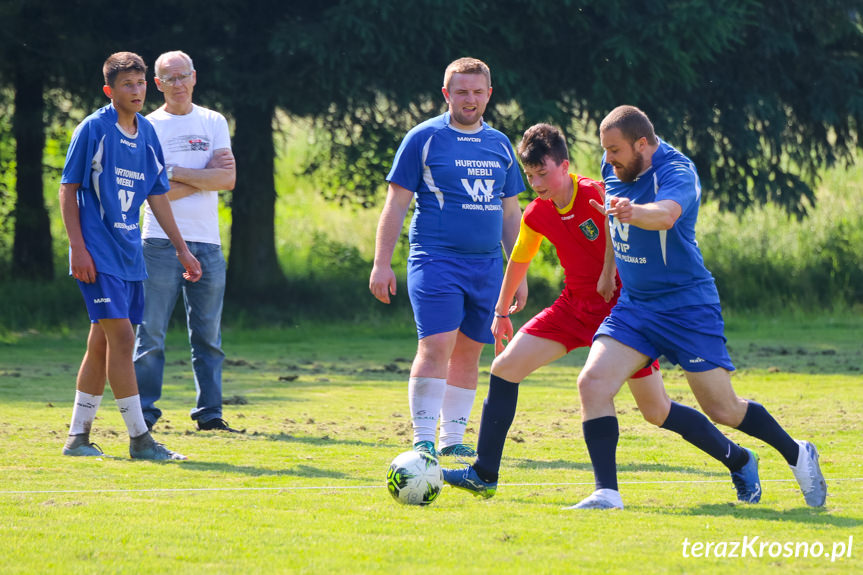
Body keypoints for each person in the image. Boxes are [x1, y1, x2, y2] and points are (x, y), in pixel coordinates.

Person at [442, 124, 761, 503]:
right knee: (504, 368)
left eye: (543, 173)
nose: (537, 182)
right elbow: (519, 259)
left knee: (656, 411)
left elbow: (624, 230)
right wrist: (501, 311)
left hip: (621, 317)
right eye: (529, 175)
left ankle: (739, 459)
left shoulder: (596, 192)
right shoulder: (536, 213)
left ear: (565, 166)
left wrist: (610, 272)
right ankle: (484, 473)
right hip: (572, 308)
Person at [570, 105, 827, 509]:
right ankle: (607, 493)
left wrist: (632, 212)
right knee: (593, 384)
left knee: (723, 408)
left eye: (615, 150)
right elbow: (611, 218)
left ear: (642, 143)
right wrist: (608, 271)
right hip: (635, 305)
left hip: (687, 306)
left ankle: (796, 452)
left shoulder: (678, 171)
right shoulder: (615, 166)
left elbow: (666, 215)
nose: (608, 159)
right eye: (605, 150)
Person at [369, 57, 526, 459]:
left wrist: (518, 271)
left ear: (489, 94)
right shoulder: (423, 138)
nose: (469, 99)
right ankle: (423, 440)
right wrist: (381, 263)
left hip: (488, 266)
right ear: (446, 94)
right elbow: (396, 204)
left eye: (477, 92)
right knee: (437, 344)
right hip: (435, 260)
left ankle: (452, 442)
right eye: (461, 92)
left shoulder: (500, 144)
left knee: (471, 350)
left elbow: (511, 213)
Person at [59, 52, 201, 460]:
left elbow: (157, 194)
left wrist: (181, 248)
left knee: (102, 343)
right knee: (123, 338)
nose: (136, 91)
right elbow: (68, 190)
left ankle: (77, 437)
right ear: (110, 90)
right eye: (127, 85)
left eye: (140, 83)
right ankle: (141, 439)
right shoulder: (94, 129)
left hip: (129, 255)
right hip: (98, 255)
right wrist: (78, 248)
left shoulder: (148, 134)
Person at [133, 50, 238, 433]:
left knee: (208, 336)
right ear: (157, 84)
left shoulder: (213, 121)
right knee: (151, 333)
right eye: (169, 78)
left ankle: (210, 414)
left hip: (207, 243)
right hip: (158, 242)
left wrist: (173, 173)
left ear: (195, 77)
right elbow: (149, 191)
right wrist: (200, 173)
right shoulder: (147, 126)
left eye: (183, 76)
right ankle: (144, 414)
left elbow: (227, 180)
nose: (178, 84)